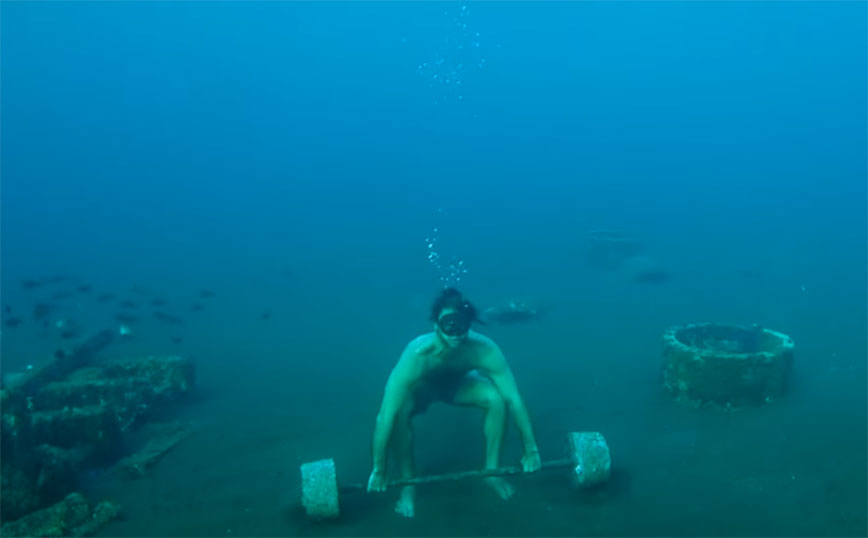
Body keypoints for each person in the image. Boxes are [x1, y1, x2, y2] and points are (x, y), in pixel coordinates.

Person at [367, 287, 541, 517]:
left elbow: (514, 399)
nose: (455, 333)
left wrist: (531, 449)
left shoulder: (484, 350)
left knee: (496, 399)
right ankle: (408, 485)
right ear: (435, 325)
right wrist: (379, 469)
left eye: (461, 325)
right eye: (448, 324)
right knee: (398, 413)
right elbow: (384, 417)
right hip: (423, 391)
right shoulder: (417, 355)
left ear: (469, 324)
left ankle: (492, 473)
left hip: (459, 387)